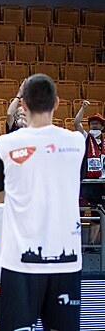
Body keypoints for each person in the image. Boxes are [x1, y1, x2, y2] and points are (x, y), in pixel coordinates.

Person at [0, 74, 84, 331]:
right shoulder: (77, 142)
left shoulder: (5, 144)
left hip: (20, 262)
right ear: (57, 103)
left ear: (24, 105)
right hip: (67, 262)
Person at [74, 100, 105, 248]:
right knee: (79, 211)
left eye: (97, 124)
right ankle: (74, 243)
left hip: (101, 184)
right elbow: (76, 123)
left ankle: (92, 244)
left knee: (98, 216)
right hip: (87, 183)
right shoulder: (87, 138)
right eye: (92, 123)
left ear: (102, 127)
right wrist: (83, 108)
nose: (94, 126)